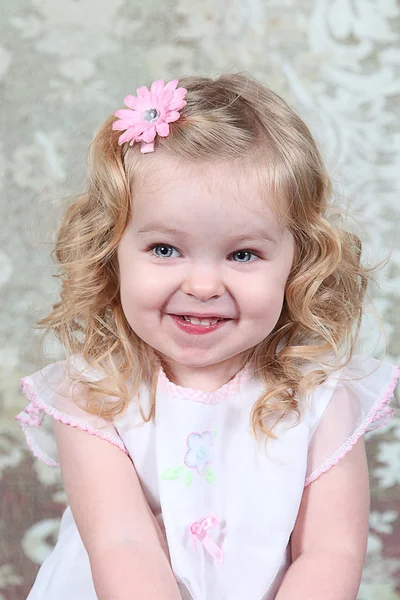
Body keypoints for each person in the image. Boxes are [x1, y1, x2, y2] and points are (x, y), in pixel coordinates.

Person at [16, 74, 399, 600]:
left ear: (298, 262)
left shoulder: (320, 393)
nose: (201, 286)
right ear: (112, 252)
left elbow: (331, 551)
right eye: (165, 249)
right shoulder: (94, 392)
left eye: (243, 255)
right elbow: (122, 544)